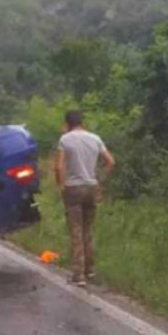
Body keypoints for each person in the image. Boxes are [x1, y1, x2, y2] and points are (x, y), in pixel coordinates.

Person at [55, 110, 115, 286]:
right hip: (91, 186)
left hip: (73, 188)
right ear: (82, 122)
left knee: (76, 231)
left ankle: (78, 275)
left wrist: (61, 185)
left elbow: (59, 167)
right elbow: (111, 162)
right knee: (88, 230)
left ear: (67, 123)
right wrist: (99, 181)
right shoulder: (95, 139)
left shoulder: (65, 140)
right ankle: (90, 271)